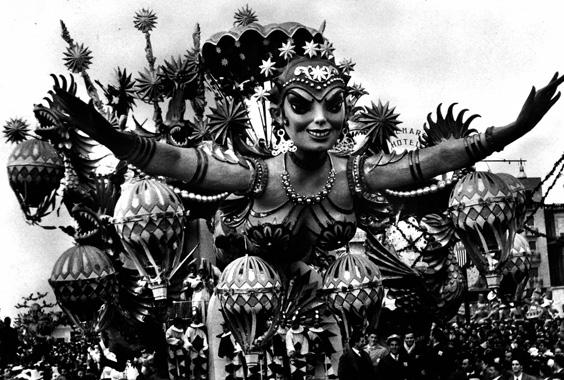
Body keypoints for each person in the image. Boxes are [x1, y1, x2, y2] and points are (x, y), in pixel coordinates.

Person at [51, 47, 564, 269]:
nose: (320, 119)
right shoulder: (259, 176)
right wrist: (107, 134)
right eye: (302, 105)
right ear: (281, 115)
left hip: (333, 304)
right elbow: (179, 163)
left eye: (334, 104)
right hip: (248, 308)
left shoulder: (356, 176)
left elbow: (427, 161)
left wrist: (511, 131)